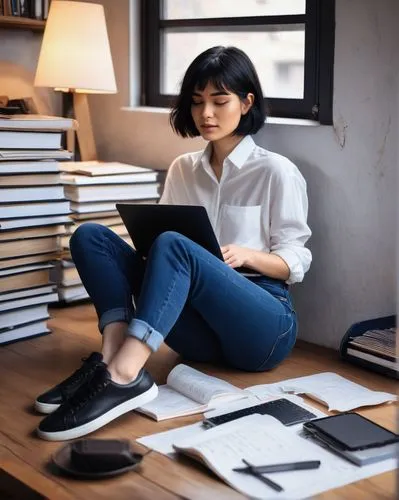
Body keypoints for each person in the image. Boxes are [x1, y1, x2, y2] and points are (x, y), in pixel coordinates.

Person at [35, 46, 311, 441]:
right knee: (90, 236)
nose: (206, 114)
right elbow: (160, 246)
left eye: (220, 101)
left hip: (263, 329)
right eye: (197, 103)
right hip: (197, 336)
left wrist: (249, 254)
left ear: (247, 102)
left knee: (175, 244)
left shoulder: (276, 171)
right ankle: (109, 356)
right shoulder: (184, 168)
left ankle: (125, 374)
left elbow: (297, 259)